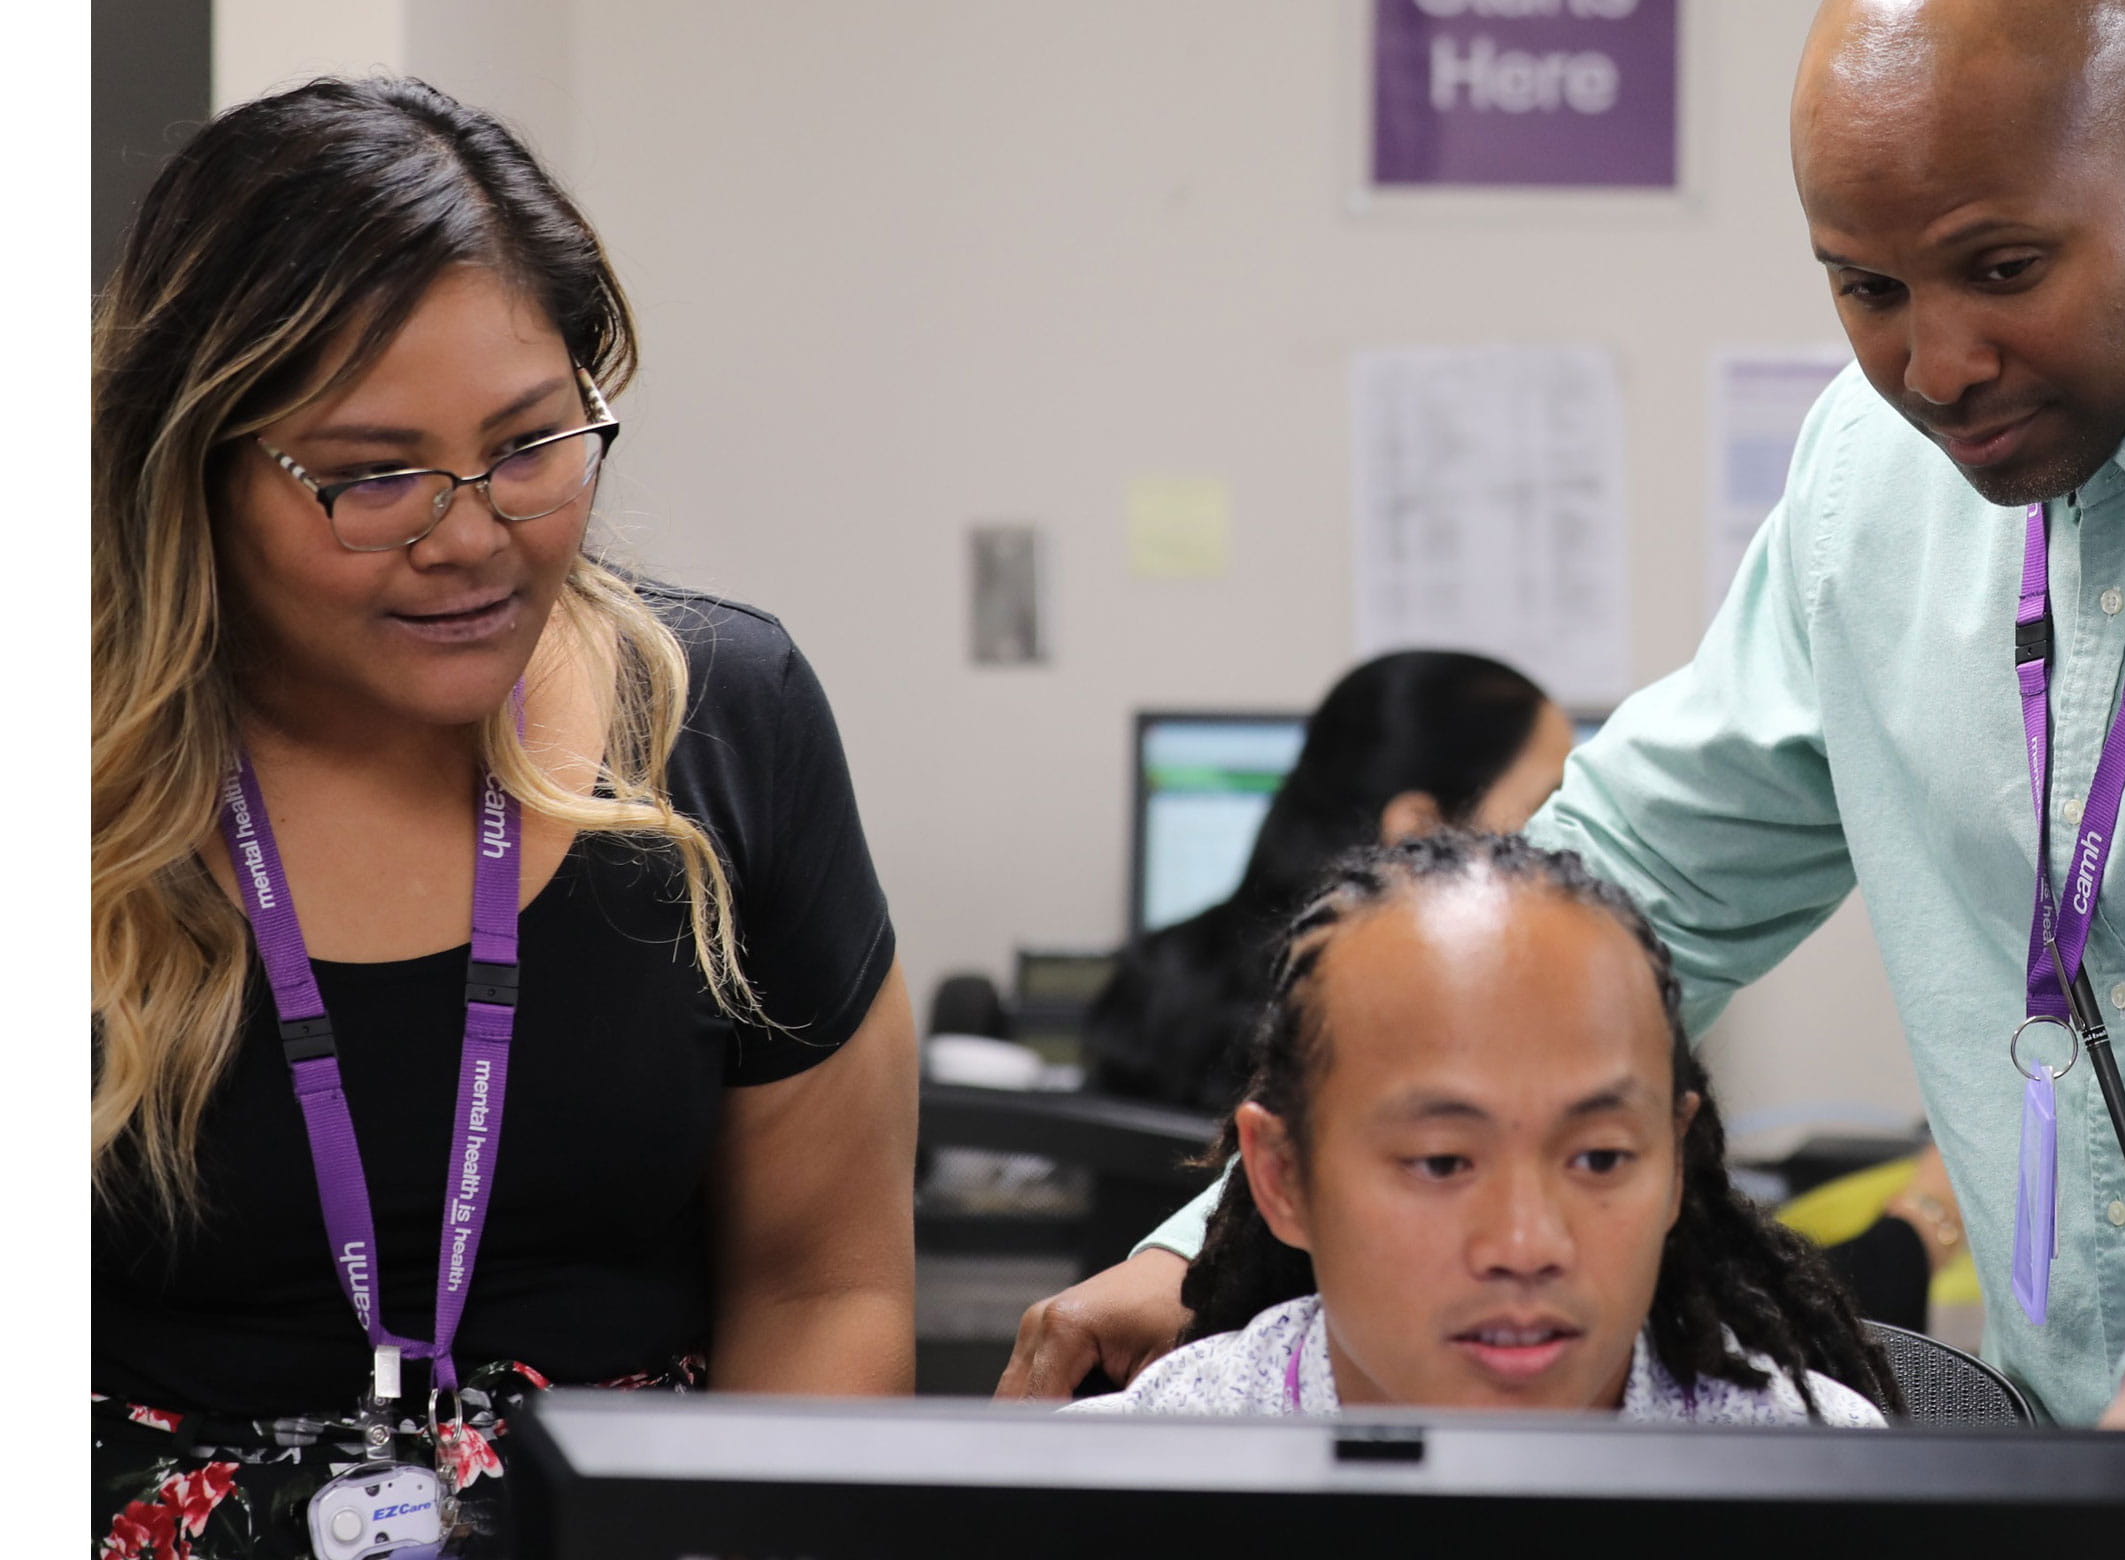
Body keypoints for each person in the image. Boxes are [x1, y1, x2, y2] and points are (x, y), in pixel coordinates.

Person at [1001, 4, 2125, 1556]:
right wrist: (1223, 1250)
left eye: (2004, 269)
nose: (1936, 365)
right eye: (1866, 288)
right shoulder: (1879, 481)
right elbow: (1622, 881)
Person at [91, 79, 918, 1557]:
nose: (468, 534)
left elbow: (822, 1292)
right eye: (374, 476)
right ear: (197, 469)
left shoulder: (724, 722)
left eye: (530, 447)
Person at [1070, 832, 1892, 1425]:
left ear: (1675, 1164)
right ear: (1283, 1178)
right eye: (1440, 1163)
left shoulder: (1821, 1478)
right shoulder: (1126, 1491)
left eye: (1601, 1157)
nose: (1527, 1243)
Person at [1084, 651, 1575, 1112]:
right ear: (1421, 829)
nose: (1570, 837)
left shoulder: (1152, 983)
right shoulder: (1432, 1032)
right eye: (1549, 804)